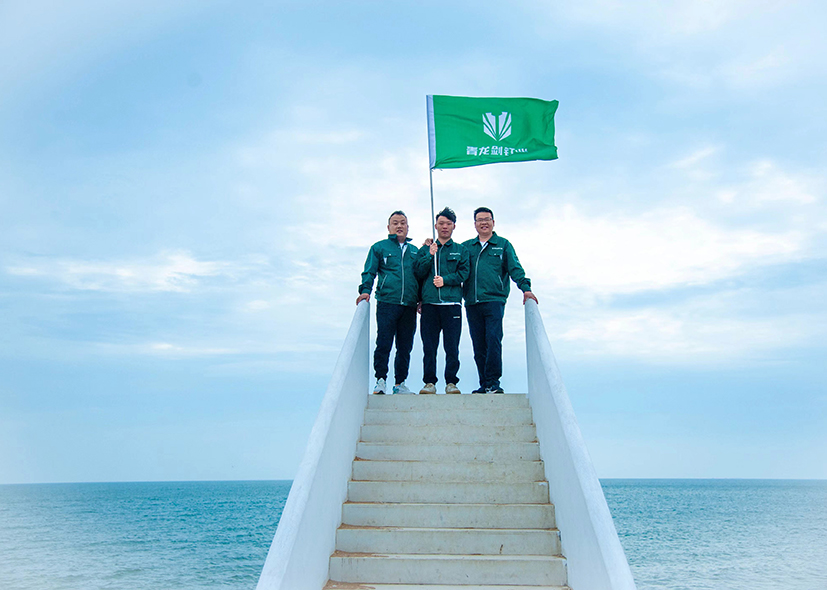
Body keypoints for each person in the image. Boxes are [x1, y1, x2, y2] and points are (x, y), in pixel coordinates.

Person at [462, 207, 538, 394]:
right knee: (478, 344)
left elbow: (515, 269)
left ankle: (493, 382)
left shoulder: (503, 245)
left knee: (493, 339)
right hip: (472, 302)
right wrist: (429, 246)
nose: (484, 223)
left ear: (493, 222)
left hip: (494, 301)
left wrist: (526, 289)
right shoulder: (466, 247)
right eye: (480, 220)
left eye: (487, 219)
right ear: (475, 224)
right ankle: (484, 383)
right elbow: (449, 259)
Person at [357, 211, 420, 394]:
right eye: (395, 223)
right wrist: (365, 291)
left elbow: (420, 276)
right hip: (387, 302)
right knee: (384, 343)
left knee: (405, 346)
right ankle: (380, 380)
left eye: (403, 223)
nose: (399, 226)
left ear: (408, 227)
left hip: (409, 305)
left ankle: (400, 384)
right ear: (389, 227)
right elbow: (369, 271)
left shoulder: (415, 251)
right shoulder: (379, 248)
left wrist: (420, 299)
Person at [414, 207, 470, 395]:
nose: (445, 227)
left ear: (454, 226)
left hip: (452, 304)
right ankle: (429, 382)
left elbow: (464, 273)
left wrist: (445, 280)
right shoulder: (426, 249)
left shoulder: (461, 250)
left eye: (448, 223)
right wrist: (429, 255)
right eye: (441, 223)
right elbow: (418, 272)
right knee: (429, 347)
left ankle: (451, 382)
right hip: (430, 304)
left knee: (452, 346)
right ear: (435, 226)